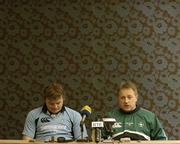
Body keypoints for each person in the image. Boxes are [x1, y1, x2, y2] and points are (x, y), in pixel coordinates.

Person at [22, 83, 88, 141]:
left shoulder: (75, 115)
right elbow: (26, 140)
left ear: (63, 98)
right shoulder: (33, 114)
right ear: (45, 100)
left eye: (58, 103)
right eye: (51, 103)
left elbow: (81, 140)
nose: (55, 107)